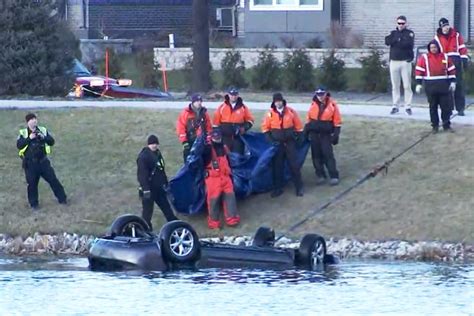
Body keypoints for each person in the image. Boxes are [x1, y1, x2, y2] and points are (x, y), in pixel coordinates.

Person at [16, 113, 67, 210]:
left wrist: (44, 137)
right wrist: (29, 138)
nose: (34, 121)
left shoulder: (42, 130)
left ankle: (62, 199)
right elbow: (19, 145)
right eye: (31, 119)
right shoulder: (23, 133)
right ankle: (34, 204)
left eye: (35, 119)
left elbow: (51, 142)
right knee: (32, 185)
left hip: (43, 162)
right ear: (27, 122)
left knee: (53, 180)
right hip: (30, 164)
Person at [261, 92, 304, 198]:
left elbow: (299, 127)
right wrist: (271, 141)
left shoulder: (291, 112)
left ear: (282, 101)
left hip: (290, 142)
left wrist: (299, 139)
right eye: (276, 101)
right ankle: (278, 189)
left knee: (294, 165)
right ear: (274, 102)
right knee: (277, 167)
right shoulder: (269, 114)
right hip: (277, 144)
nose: (278, 103)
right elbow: (265, 129)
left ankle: (299, 188)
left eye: (279, 101)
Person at [137, 134, 178, 229]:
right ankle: (145, 228)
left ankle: (174, 224)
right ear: (148, 145)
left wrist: (165, 183)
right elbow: (142, 175)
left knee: (166, 208)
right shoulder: (143, 157)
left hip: (158, 188)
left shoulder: (157, 154)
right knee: (147, 212)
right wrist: (146, 189)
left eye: (156, 143)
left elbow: (161, 170)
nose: (154, 145)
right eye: (152, 144)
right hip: (149, 190)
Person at [202, 127, 240, 229]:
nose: (217, 139)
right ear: (211, 137)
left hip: (225, 176)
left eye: (218, 137)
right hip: (213, 179)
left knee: (230, 199)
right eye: (215, 137)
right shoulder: (207, 149)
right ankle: (214, 223)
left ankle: (232, 220)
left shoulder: (224, 147)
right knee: (213, 202)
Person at [415, 40, 456, 133]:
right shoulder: (424, 58)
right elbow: (419, 70)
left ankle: (446, 125)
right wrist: (418, 83)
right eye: (431, 47)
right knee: (433, 107)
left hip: (444, 85)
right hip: (430, 86)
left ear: (438, 47)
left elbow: (451, 70)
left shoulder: (445, 57)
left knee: (445, 107)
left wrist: (453, 82)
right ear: (429, 48)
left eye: (435, 47)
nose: (433, 49)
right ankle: (435, 126)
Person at [304, 86, 342, 186]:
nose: (320, 96)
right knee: (316, 156)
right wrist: (305, 132)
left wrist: (336, 135)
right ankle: (320, 175)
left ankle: (334, 176)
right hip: (314, 134)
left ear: (326, 94)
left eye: (321, 94)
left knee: (328, 155)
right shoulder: (313, 104)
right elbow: (308, 119)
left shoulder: (332, 105)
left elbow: (337, 122)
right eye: (318, 94)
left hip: (325, 134)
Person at [434, 18, 470, 116]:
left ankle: (460, 108)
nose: (445, 28)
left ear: (448, 25)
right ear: (440, 28)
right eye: (443, 27)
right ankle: (448, 109)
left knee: (458, 86)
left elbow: (462, 48)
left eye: (446, 26)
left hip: (456, 62)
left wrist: (464, 59)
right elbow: (435, 52)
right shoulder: (437, 38)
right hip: (444, 63)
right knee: (446, 88)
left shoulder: (457, 36)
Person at [385, 15, 415, 115]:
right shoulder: (393, 33)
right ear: (396, 23)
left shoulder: (410, 33)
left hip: (405, 62)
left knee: (407, 85)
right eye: (399, 23)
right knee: (395, 85)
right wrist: (397, 40)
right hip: (394, 62)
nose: (401, 25)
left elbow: (408, 44)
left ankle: (408, 106)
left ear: (406, 23)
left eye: (402, 23)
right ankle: (395, 105)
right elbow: (387, 41)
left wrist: (397, 41)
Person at [213, 87, 254, 154]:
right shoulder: (221, 107)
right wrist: (217, 135)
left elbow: (250, 120)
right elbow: (215, 123)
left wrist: (244, 128)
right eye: (232, 95)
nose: (233, 97)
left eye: (235, 95)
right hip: (225, 138)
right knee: (224, 157)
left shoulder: (243, 107)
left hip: (238, 138)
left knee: (238, 157)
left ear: (238, 95)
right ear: (228, 95)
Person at [176, 93, 212, 163]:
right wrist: (184, 142)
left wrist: (208, 140)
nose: (199, 103)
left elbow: (209, 127)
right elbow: (181, 128)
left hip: (202, 141)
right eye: (197, 101)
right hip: (190, 141)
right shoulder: (185, 113)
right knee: (190, 163)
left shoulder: (204, 113)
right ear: (193, 102)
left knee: (205, 162)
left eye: (200, 101)